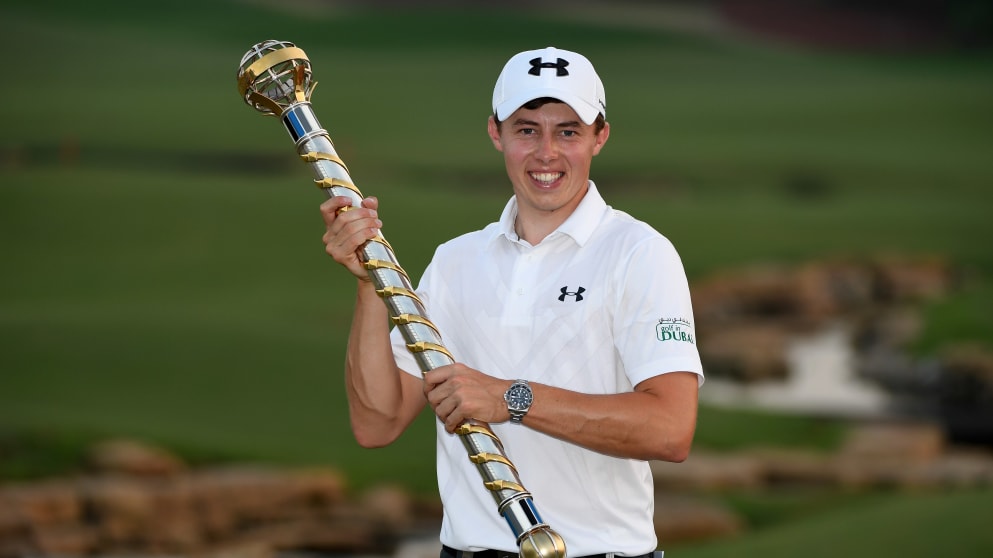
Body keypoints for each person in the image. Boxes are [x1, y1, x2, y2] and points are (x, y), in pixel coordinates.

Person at [320, 46, 704, 558]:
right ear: (495, 133)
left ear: (599, 137)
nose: (547, 152)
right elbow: (376, 423)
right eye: (527, 129)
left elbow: (671, 430)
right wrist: (372, 284)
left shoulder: (639, 254)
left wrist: (512, 399)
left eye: (568, 131)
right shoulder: (455, 262)